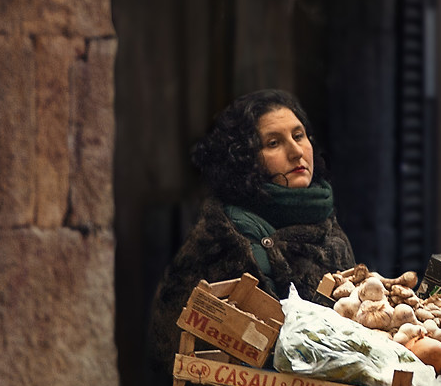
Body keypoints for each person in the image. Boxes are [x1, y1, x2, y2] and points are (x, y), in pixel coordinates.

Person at [148, 90, 355, 364]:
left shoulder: (331, 233)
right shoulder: (219, 239)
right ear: (245, 159)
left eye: (298, 136)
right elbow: (172, 344)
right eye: (273, 143)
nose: (296, 152)